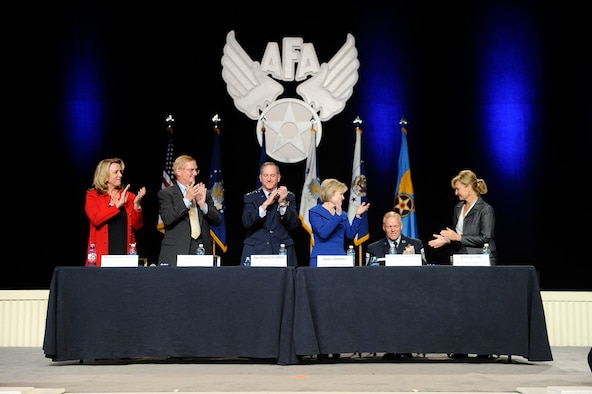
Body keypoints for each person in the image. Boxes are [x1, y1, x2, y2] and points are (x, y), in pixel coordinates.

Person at [428, 169, 496, 360]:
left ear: (468, 187)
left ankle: (484, 349)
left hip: (480, 262)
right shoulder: (459, 208)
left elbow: (486, 238)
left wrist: (456, 237)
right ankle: (461, 347)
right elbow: (459, 237)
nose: (456, 193)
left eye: (458, 189)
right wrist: (446, 240)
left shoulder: (485, 209)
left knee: (480, 306)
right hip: (460, 261)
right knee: (461, 305)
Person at [367, 210, 423, 360]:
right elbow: (367, 274)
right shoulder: (374, 247)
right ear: (383, 227)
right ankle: (389, 347)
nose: (392, 230)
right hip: (383, 293)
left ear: (401, 226)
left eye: (395, 226)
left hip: (410, 292)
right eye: (389, 226)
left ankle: (408, 347)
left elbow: (425, 270)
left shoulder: (415, 244)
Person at [157, 155, 222, 266]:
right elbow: (168, 219)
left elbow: (217, 220)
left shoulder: (203, 192)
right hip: (177, 251)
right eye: (191, 170)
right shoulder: (166, 194)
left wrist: (203, 205)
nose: (195, 173)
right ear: (178, 171)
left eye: (196, 170)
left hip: (202, 249)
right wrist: (187, 200)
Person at [85, 158, 146, 266]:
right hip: (101, 257)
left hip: (125, 256)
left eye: (121, 172)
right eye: (116, 172)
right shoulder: (93, 196)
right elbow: (96, 219)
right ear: (105, 176)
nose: (120, 175)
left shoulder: (129, 196)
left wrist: (136, 206)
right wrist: (117, 205)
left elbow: (137, 226)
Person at [240, 161, 300, 266]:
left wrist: (282, 204)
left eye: (272, 175)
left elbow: (293, 224)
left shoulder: (289, 197)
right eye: (266, 175)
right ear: (260, 178)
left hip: (282, 250)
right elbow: (247, 222)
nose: (269, 179)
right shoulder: (251, 198)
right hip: (257, 249)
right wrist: (266, 204)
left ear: (279, 177)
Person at [309, 178, 370, 266]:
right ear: (331, 193)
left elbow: (350, 235)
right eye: (341, 194)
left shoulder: (343, 214)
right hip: (320, 259)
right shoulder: (315, 212)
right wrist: (337, 215)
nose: (343, 197)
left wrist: (357, 215)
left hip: (340, 259)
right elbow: (323, 233)